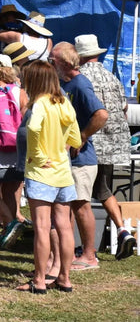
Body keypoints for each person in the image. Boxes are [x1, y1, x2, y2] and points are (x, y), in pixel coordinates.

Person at [16, 59, 81, 294]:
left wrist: (37, 155)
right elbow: (75, 133)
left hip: (42, 172)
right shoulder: (64, 102)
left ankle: (40, 280)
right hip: (63, 172)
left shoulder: (41, 103)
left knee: (42, 228)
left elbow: (32, 129)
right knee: (64, 227)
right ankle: (65, 278)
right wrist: (69, 145)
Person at [75, 34, 137, 259]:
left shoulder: (79, 77)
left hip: (87, 143)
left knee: (78, 196)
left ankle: (82, 245)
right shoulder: (112, 77)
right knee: (102, 190)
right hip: (112, 144)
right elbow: (123, 110)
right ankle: (122, 229)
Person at [50, 41, 108, 273]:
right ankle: (73, 251)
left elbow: (101, 115)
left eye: (53, 60)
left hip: (82, 159)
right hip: (71, 158)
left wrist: (82, 137)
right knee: (69, 205)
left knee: (82, 206)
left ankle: (89, 255)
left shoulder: (80, 85)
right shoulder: (66, 83)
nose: (50, 63)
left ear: (64, 62)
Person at [0, 54, 29, 247]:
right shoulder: (19, 92)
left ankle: (9, 223)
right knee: (11, 192)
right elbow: (27, 118)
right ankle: (9, 230)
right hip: (17, 149)